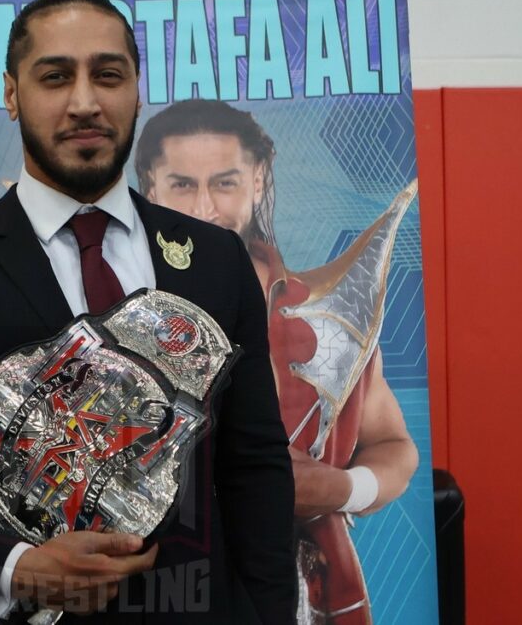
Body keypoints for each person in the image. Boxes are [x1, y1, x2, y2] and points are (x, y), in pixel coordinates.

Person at [0, 0, 296, 624]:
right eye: (54, 77)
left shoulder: (214, 258)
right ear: (13, 95)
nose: (84, 102)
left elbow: (256, 467)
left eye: (107, 75)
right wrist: (15, 567)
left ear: (135, 89)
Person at [135, 99, 419, 625]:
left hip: (305, 594)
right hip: (156, 589)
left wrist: (344, 489)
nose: (204, 209)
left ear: (259, 181)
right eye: (181, 184)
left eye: (224, 183)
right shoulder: (112, 311)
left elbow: (394, 446)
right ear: (149, 187)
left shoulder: (327, 312)